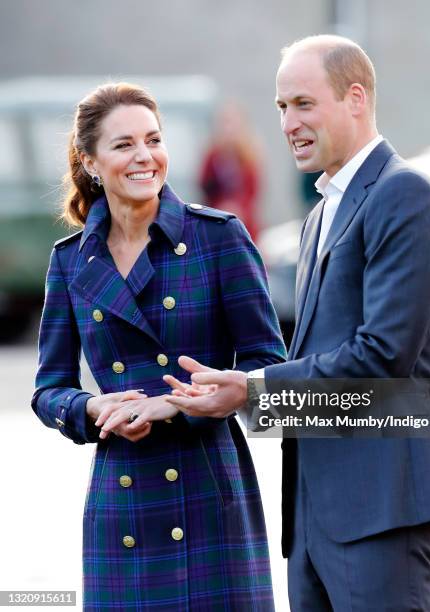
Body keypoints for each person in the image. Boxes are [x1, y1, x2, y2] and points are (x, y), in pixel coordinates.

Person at [165, 35, 430, 611]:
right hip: (314, 517)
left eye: (303, 103)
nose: (288, 122)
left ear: (356, 98)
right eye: (281, 108)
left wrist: (254, 392)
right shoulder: (321, 213)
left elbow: (382, 358)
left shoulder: (405, 194)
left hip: (383, 509)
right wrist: (230, 393)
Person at [31, 82, 286, 611]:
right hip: (122, 495)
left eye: (154, 139)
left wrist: (182, 399)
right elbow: (48, 390)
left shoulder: (219, 238)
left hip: (206, 485)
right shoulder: (71, 261)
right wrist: (91, 407)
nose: (145, 156)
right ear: (92, 162)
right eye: (124, 144)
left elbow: (268, 364)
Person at [198, 101, 262, 241]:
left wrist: (237, 207)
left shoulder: (249, 156)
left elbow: (252, 192)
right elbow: (205, 187)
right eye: (225, 123)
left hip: (243, 222)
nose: (229, 129)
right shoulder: (212, 155)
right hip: (216, 219)